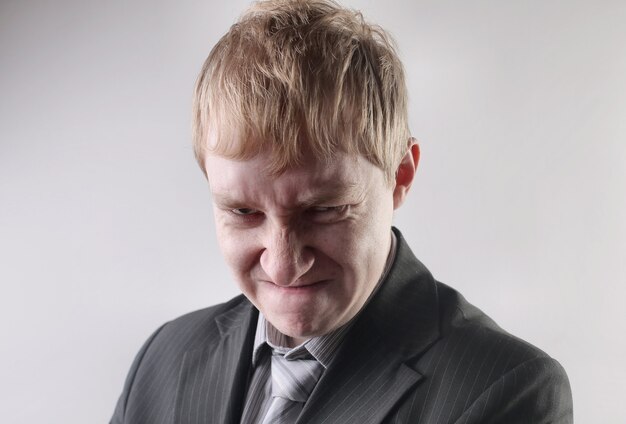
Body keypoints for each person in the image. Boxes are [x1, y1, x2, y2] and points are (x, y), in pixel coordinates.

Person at [111, 1, 573, 423]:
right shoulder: (164, 357)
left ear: (400, 175)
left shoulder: (508, 391)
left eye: (325, 209)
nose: (283, 263)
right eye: (244, 211)